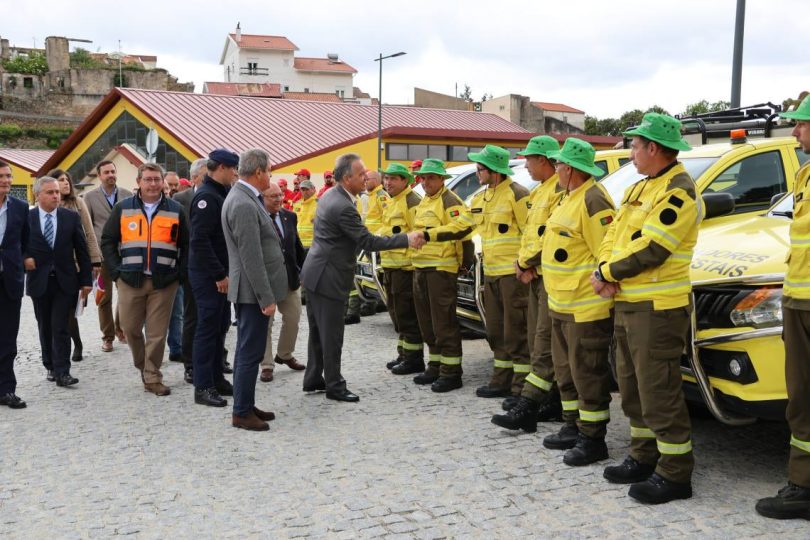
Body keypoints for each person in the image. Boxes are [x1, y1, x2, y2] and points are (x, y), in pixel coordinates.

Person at [594, 113, 700, 504]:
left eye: (636, 145)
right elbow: (613, 236)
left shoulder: (679, 190)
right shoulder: (641, 188)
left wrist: (606, 271)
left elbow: (654, 248)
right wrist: (603, 268)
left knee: (658, 391)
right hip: (629, 302)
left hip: (658, 307)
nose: (631, 152)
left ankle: (675, 474)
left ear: (654, 148)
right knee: (632, 387)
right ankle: (643, 456)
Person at [300, 153, 425, 402]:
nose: (365, 177)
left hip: (316, 273)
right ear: (347, 178)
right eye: (360, 174)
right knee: (332, 334)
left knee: (318, 332)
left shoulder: (330, 196)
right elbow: (367, 241)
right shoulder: (344, 206)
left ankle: (314, 378)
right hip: (328, 277)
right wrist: (407, 239)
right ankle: (334, 385)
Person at [540, 138, 615, 467]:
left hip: (586, 306)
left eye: (558, 164)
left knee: (588, 374)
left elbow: (606, 250)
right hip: (561, 302)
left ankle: (593, 438)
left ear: (569, 168)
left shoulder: (594, 198)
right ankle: (572, 426)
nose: (555, 168)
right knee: (565, 371)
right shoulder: (568, 196)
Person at [757, 96, 810, 518]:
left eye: (802, 125)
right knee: (802, 395)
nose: (795, 132)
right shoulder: (805, 174)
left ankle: (804, 488)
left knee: (806, 397)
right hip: (799, 299)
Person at [491, 135, 565, 433]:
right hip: (536, 274)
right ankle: (548, 400)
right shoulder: (542, 191)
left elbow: (551, 237)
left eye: (530, 159)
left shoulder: (558, 191)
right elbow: (530, 236)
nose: (526, 164)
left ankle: (532, 403)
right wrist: (525, 263)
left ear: (544, 160)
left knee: (544, 342)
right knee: (539, 340)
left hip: (551, 277)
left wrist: (527, 263)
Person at [100, 163, 189, 396]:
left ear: (162, 182)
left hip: (164, 282)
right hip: (130, 280)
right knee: (130, 329)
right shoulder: (123, 208)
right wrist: (117, 272)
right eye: (148, 179)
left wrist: (179, 273)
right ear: (139, 182)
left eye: (156, 179)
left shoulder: (176, 209)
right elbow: (108, 241)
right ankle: (143, 365)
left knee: (158, 333)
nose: (153, 184)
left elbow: (187, 245)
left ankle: (152, 375)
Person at [222, 148, 287, 431]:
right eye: (270, 171)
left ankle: (246, 403)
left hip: (251, 290)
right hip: (252, 292)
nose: (271, 176)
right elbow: (251, 255)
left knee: (249, 349)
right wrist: (266, 297)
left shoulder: (245, 197)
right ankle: (241, 412)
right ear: (259, 172)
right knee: (250, 352)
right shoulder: (244, 203)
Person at [468, 145, 530, 399]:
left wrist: (525, 265)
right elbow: (469, 228)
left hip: (513, 276)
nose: (476, 173)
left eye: (480, 169)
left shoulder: (518, 194)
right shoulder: (479, 198)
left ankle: (520, 386)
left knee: (516, 331)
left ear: (494, 170)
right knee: (495, 330)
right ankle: (501, 379)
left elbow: (530, 232)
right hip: (490, 274)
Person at [410, 159, 475, 392]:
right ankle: (435, 365)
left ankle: (451, 372)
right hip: (421, 267)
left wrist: (466, 262)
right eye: (423, 177)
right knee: (427, 322)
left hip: (441, 270)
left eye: (430, 177)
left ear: (441, 179)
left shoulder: (450, 201)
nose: (425, 182)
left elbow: (464, 233)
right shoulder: (425, 201)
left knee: (443, 323)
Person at [25, 176, 93, 388]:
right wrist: (23, 259)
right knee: (45, 325)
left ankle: (63, 371)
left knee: (61, 326)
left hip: (66, 281)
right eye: (50, 192)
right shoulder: (27, 218)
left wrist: (86, 280)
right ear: (38, 195)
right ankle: (50, 366)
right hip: (39, 281)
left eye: (57, 192)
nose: (56, 196)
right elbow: (16, 246)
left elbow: (82, 250)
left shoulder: (70, 217)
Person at [189, 149, 239, 407]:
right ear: (220, 167)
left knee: (220, 327)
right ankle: (203, 386)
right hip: (209, 275)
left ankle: (216, 377)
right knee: (207, 329)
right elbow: (200, 241)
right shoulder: (207, 197)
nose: (235, 173)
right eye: (232, 169)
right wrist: (219, 274)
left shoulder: (221, 193)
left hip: (220, 273)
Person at [51, 168, 102, 363]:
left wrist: (95, 261)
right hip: (53, 265)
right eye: (60, 180)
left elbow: (89, 234)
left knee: (71, 311)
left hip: (76, 265)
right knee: (58, 313)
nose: (65, 183)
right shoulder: (46, 205)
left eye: (67, 180)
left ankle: (77, 343)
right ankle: (59, 351)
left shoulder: (78, 203)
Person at [378, 163, 424, 374]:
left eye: (393, 179)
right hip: (391, 266)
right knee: (397, 313)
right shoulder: (390, 201)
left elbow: (418, 236)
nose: (388, 182)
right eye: (386, 178)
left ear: (405, 180)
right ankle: (403, 353)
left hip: (405, 268)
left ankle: (414, 359)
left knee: (407, 314)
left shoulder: (412, 201)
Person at [259, 182, 307, 383]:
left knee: (293, 318)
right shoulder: (257, 217)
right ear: (262, 198)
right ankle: (267, 365)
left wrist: (303, 269)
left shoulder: (289, 216)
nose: (279, 199)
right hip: (267, 280)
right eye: (273, 196)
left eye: (280, 195)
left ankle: (284, 354)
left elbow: (296, 245)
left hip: (289, 278)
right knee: (265, 324)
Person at [82, 161, 132, 352]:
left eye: (113, 171)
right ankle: (107, 337)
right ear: (99, 175)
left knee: (127, 296)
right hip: (102, 257)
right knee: (104, 298)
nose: (111, 174)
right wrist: (91, 256)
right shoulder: (90, 197)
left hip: (125, 255)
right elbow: (87, 227)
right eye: (106, 172)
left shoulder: (127, 195)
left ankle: (121, 329)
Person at [173, 158, 207, 384]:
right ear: (194, 178)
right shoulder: (180, 199)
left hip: (215, 267)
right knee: (192, 317)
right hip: (190, 266)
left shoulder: (221, 194)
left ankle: (216, 358)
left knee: (217, 318)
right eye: (205, 176)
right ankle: (190, 364)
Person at [0, 161, 30, 408]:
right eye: (2, 176)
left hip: (10, 280)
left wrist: (22, 260)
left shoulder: (20, 208)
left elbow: (26, 242)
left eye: (9, 176)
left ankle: (7, 389)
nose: (7, 181)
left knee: (8, 337)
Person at [294, 180, 318, 251]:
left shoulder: (320, 204)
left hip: (314, 245)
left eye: (307, 189)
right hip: (299, 244)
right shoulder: (297, 204)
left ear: (313, 189)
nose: (304, 191)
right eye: (302, 189)